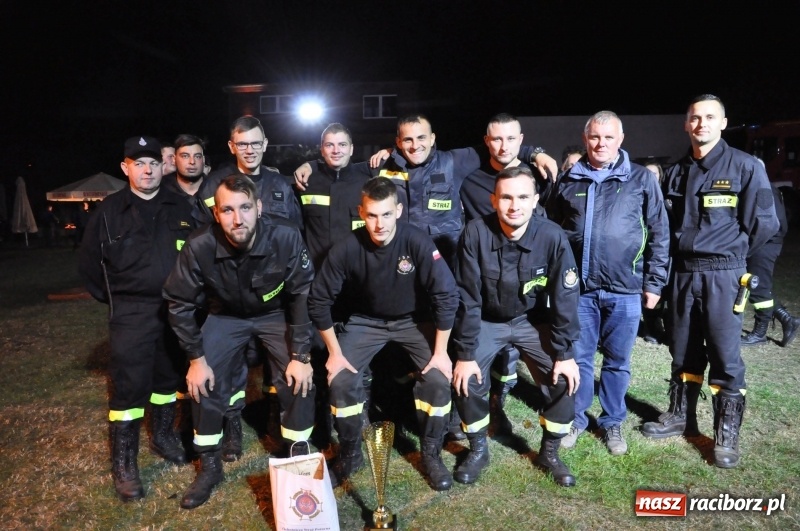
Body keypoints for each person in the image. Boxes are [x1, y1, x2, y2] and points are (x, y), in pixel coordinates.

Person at [641, 94, 779, 468]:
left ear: (723, 122)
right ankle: (680, 417)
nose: (700, 123)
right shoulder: (677, 171)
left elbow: (765, 224)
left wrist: (732, 254)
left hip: (724, 273)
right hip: (683, 273)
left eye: (708, 117)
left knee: (724, 354)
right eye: (694, 118)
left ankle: (725, 436)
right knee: (683, 349)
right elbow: (664, 227)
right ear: (686, 125)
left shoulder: (746, 167)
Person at [163, 175, 315, 509]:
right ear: (215, 214)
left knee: (298, 379)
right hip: (226, 316)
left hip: (275, 314)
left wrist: (300, 354)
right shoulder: (199, 245)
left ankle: (297, 455)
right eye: (227, 210)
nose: (237, 218)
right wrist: (196, 359)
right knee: (204, 382)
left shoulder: (286, 236)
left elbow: (302, 293)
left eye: (245, 207)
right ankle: (210, 465)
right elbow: (179, 303)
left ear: (259, 207)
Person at [308, 178, 458, 491]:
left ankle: (430, 453)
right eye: (372, 215)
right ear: (361, 212)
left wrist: (441, 352)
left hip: (412, 321)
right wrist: (335, 354)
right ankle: (350, 453)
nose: (379, 224)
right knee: (342, 380)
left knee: (437, 379)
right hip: (365, 322)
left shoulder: (416, 241)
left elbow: (446, 294)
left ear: (399, 211)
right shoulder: (348, 247)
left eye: (386, 214)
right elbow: (318, 300)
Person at [79, 136, 196, 502]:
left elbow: (199, 255)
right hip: (130, 312)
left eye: (152, 163)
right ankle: (125, 463)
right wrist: (119, 301)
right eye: (138, 163)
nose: (147, 170)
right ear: (125, 168)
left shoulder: (181, 206)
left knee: (168, 379)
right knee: (129, 388)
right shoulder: (108, 212)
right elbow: (89, 267)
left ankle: (163, 436)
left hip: (174, 309)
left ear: (163, 166)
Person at [547, 111, 670, 456]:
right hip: (580, 290)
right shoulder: (569, 179)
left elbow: (660, 232)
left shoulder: (641, 179)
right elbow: (552, 231)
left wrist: (655, 282)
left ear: (621, 139)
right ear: (586, 139)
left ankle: (613, 420)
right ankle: (577, 418)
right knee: (581, 358)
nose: (601, 144)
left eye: (608, 137)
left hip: (625, 289)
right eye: (594, 137)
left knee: (617, 361)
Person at [452, 166, 581, 487]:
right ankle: (478, 449)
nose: (514, 205)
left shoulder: (552, 236)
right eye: (506, 197)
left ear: (535, 200)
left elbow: (565, 297)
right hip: (486, 320)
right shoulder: (474, 233)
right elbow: (467, 298)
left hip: (531, 321)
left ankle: (549, 453)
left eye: (523, 197)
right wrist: (466, 353)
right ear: (494, 200)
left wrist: (564, 353)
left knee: (563, 378)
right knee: (467, 379)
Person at [458, 113, 547, 438]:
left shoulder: (540, 175)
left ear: (521, 140)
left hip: (526, 285)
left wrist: (537, 153)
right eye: (496, 139)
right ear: (486, 142)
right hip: (485, 282)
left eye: (511, 139)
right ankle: (484, 417)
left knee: (514, 356)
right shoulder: (470, 182)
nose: (503, 145)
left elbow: (547, 225)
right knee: (482, 353)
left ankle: (501, 400)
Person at [196, 115, 302, 229]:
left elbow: (294, 231)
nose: (250, 151)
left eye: (256, 143)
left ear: (264, 144)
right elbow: (203, 234)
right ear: (232, 147)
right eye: (242, 144)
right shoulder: (213, 185)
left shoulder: (281, 185)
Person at [740, 161, 800, 347]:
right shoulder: (766, 187)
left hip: (764, 244)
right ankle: (787, 319)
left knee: (758, 289)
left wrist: (750, 246)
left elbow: (767, 224)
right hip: (765, 243)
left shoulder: (763, 190)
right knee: (759, 286)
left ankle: (760, 333)